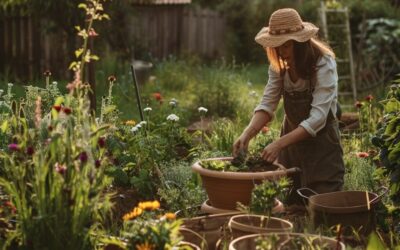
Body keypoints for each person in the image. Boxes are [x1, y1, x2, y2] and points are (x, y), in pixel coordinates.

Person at [233, 8, 345, 205]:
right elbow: (267, 104)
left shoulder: (322, 63)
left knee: (323, 205)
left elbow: (318, 118)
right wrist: (247, 134)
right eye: (276, 47)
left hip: (323, 145)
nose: (281, 53)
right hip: (292, 144)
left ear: (300, 43)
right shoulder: (280, 67)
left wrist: (278, 144)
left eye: (286, 46)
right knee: (290, 201)